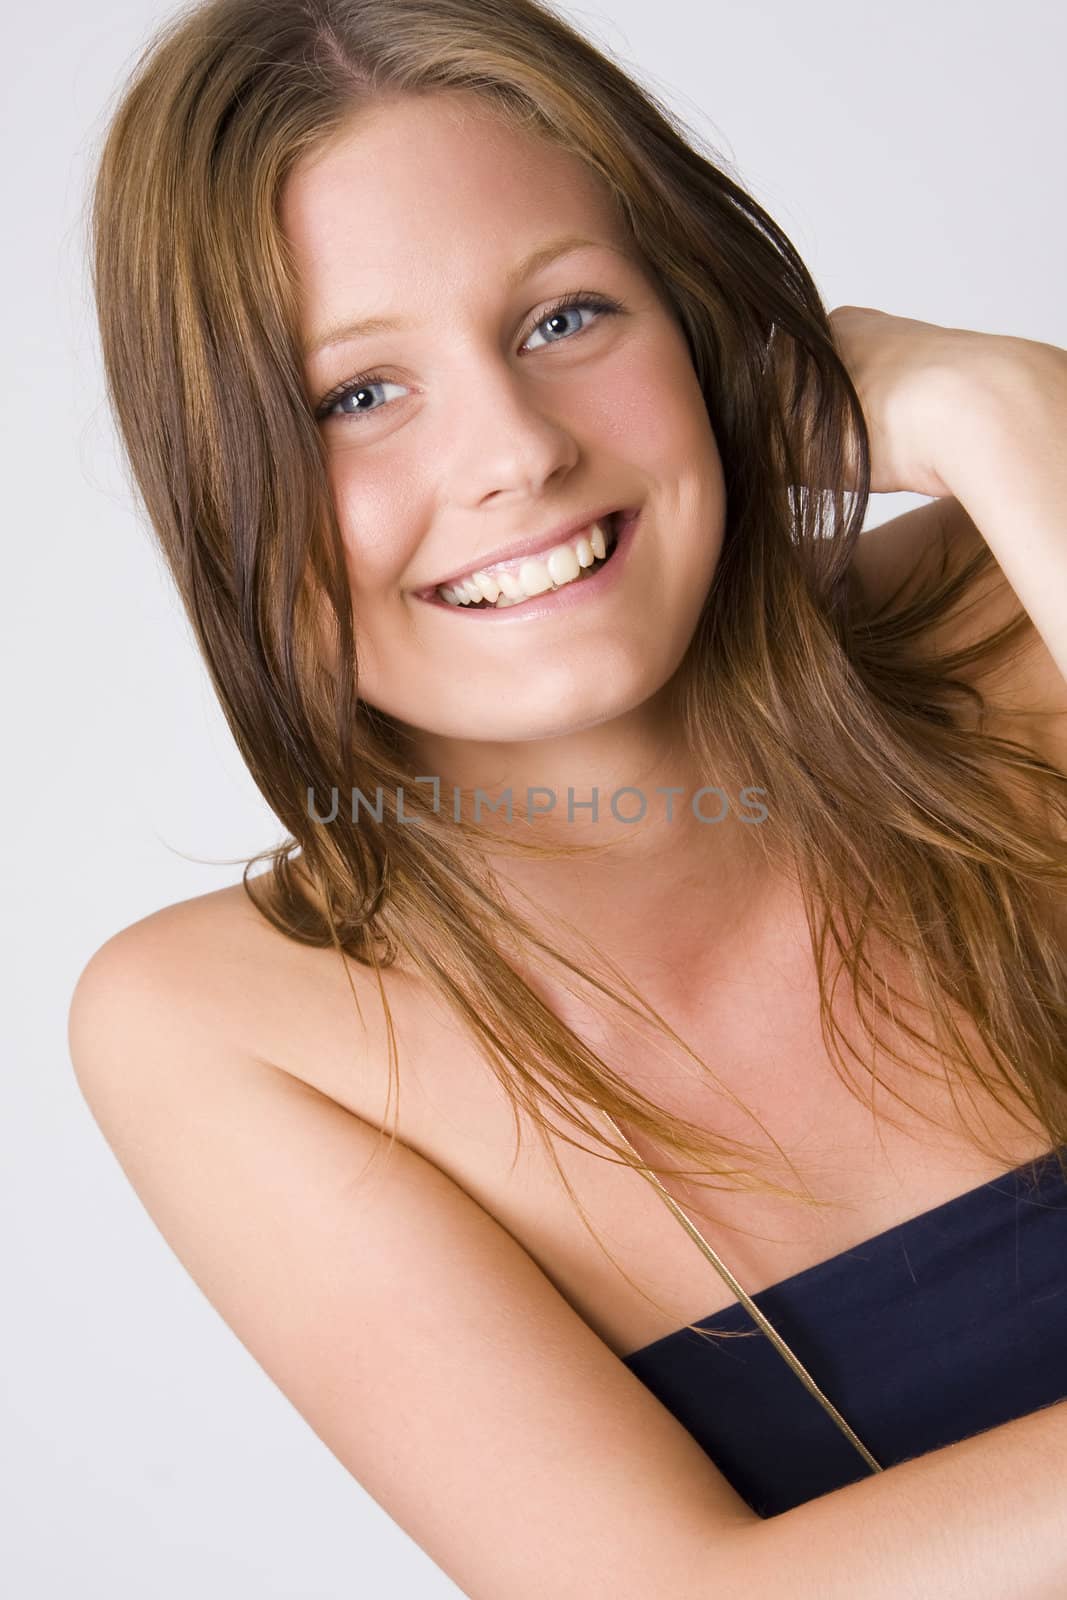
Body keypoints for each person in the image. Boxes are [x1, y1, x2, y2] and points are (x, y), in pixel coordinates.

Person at [68, 0, 1067, 1592]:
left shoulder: (1026, 596)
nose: (513, 454)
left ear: (704, 322)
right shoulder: (229, 1021)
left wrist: (1012, 419)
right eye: (356, 397)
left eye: (564, 321)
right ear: (220, 482)